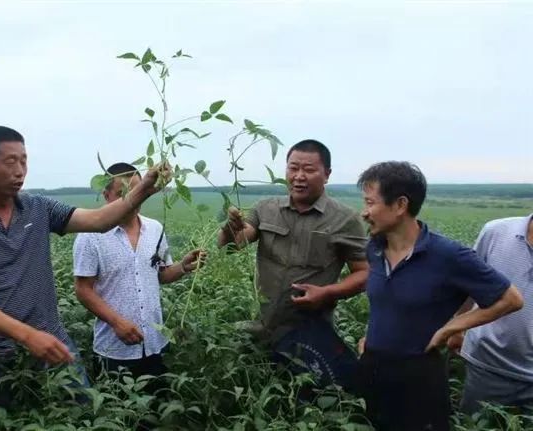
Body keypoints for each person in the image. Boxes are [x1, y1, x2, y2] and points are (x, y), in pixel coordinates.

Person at [0, 126, 171, 409]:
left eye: (24, 160)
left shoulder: (38, 207)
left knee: (84, 412)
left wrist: (144, 187)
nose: (20, 170)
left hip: (51, 339)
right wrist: (27, 335)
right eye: (11, 161)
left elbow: (98, 221)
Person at [356, 161, 524, 431]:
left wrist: (451, 327)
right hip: (373, 368)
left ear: (400, 205)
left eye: (370, 203)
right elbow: (385, 305)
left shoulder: (448, 256)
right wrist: (371, 337)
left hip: (419, 378)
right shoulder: (374, 249)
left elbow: (511, 299)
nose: (364, 213)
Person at [217, 139, 368, 389]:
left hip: (308, 331)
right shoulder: (266, 208)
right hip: (262, 325)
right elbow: (234, 245)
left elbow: (364, 273)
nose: (299, 176)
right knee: (255, 390)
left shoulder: (345, 219)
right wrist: (231, 227)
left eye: (309, 170)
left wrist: (328, 292)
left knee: (307, 395)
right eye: (293, 168)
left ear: (327, 174)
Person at [73, 162, 206, 382]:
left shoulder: (154, 229)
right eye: (122, 193)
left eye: (137, 189)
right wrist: (117, 322)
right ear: (106, 195)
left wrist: (183, 266)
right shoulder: (90, 236)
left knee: (154, 411)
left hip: (155, 344)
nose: (133, 198)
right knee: (118, 414)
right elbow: (83, 290)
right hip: (113, 350)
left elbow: (161, 275)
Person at [446, 214, 533, 414]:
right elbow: (470, 285)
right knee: (475, 421)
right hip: (487, 365)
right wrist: (457, 328)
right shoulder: (496, 232)